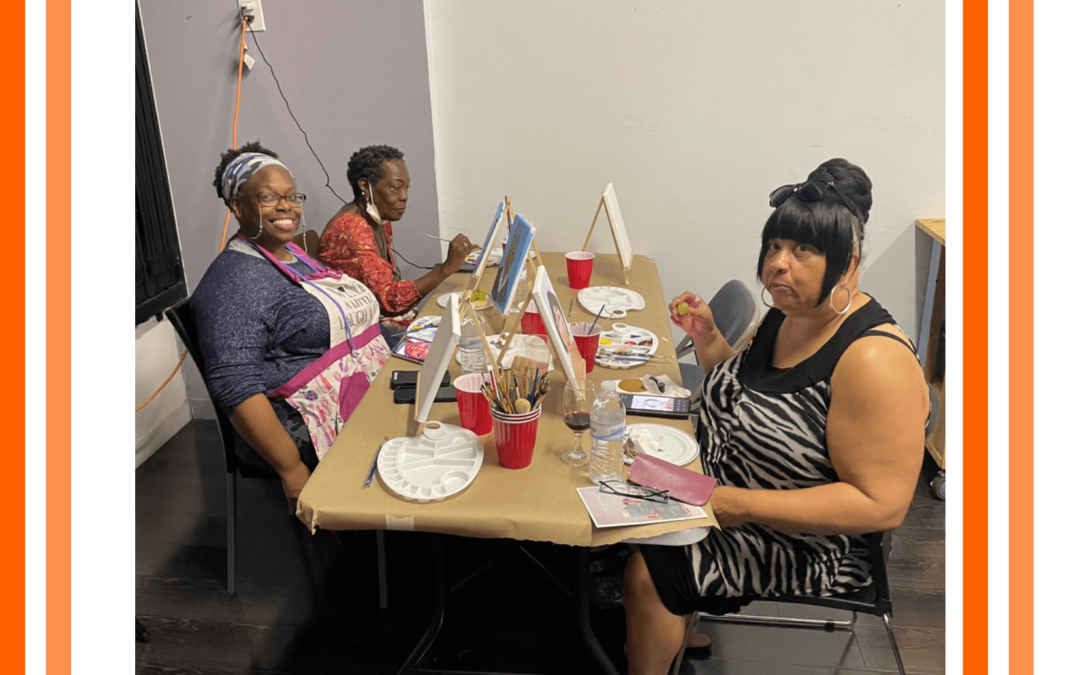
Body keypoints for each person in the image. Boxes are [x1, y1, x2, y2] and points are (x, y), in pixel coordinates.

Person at [623, 159, 929, 675]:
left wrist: (736, 504)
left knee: (647, 571)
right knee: (602, 489)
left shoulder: (874, 360)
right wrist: (709, 339)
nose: (778, 264)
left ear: (848, 262)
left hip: (803, 543)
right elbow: (748, 401)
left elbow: (882, 505)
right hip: (724, 496)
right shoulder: (790, 313)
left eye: (802, 250)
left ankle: (657, 624)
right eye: (774, 247)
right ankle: (664, 630)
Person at [190, 141, 390, 509]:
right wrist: (292, 469)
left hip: (362, 389)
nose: (286, 206)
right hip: (306, 421)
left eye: (292, 196)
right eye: (268, 197)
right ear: (237, 206)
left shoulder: (293, 254)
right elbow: (236, 386)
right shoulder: (236, 280)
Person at [319, 145, 475, 345]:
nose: (404, 196)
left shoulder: (379, 218)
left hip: (379, 322)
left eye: (406, 188)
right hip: (362, 335)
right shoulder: (351, 227)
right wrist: (445, 269)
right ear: (365, 186)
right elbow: (389, 302)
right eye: (395, 187)